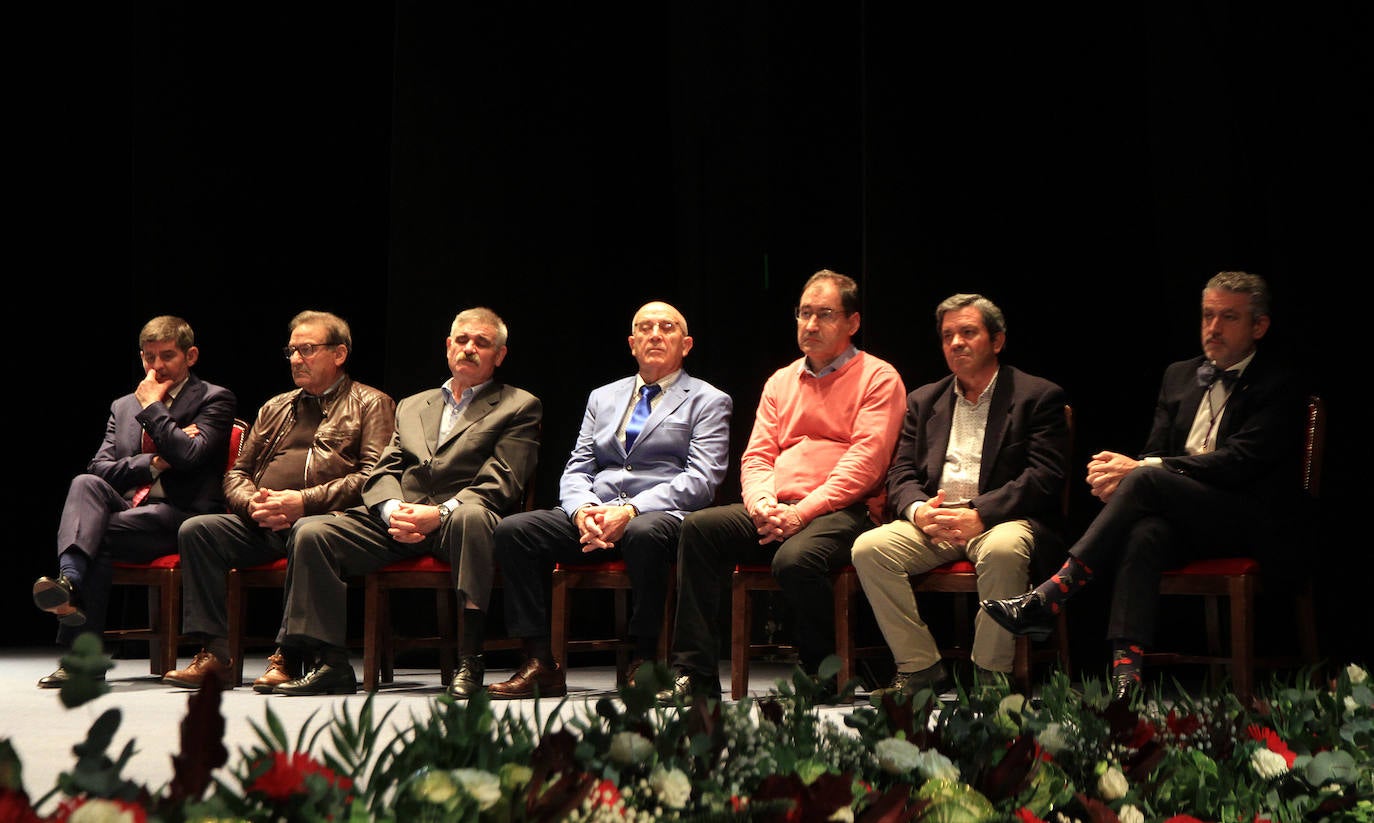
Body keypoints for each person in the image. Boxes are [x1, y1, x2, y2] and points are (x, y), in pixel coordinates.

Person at [981, 271, 1302, 699]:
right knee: (1145, 532)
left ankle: (1054, 592)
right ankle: (1126, 678)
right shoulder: (1179, 376)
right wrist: (1126, 478)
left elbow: (1240, 462)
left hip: (1249, 518)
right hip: (1183, 517)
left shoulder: (1278, 381)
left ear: (1258, 326)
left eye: (1229, 318)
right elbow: (1154, 450)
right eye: (1208, 315)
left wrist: (1140, 472)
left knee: (1146, 478)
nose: (1213, 328)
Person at [660, 270, 907, 702]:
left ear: (852, 323)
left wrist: (802, 512)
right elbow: (757, 456)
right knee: (699, 528)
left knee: (795, 561)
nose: (810, 325)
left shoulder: (879, 378)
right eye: (804, 314)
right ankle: (694, 674)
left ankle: (823, 669)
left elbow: (866, 465)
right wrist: (761, 504)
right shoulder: (781, 380)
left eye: (824, 315)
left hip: (843, 510)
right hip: (778, 507)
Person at [268, 307, 541, 696]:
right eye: (461, 340)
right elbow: (383, 471)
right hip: (400, 518)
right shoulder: (414, 404)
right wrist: (394, 509)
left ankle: (470, 661)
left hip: (458, 521)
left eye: (481, 343)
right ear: (448, 346)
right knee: (313, 531)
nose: (468, 349)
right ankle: (329, 662)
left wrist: (440, 512)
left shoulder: (519, 405)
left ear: (499, 355)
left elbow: (503, 480)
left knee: (473, 518)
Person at [485, 301, 732, 700]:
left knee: (643, 533)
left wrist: (631, 509)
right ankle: (539, 661)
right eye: (645, 328)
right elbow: (578, 466)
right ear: (632, 344)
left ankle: (645, 658)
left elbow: (701, 479)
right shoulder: (603, 397)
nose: (655, 334)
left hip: (658, 515)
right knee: (515, 530)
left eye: (666, 328)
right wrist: (582, 509)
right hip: (596, 511)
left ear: (685, 344)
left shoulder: (708, 399)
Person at [162, 310, 396, 691]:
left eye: (307, 349)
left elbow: (374, 476)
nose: (296, 359)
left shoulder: (372, 403)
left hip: (328, 522)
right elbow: (237, 472)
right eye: (291, 351)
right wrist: (253, 503)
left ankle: (288, 656)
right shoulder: (275, 407)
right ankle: (214, 655)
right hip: (267, 521)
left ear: (339, 354)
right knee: (198, 529)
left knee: (308, 530)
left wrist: (302, 503)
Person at [850, 294, 1071, 697]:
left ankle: (990, 678)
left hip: (1002, 520)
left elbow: (1043, 477)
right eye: (948, 335)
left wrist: (980, 512)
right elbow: (900, 472)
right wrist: (918, 511)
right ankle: (920, 668)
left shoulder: (1037, 397)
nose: (956, 343)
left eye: (968, 332)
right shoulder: (924, 400)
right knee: (869, 548)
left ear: (997, 341)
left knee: (1004, 551)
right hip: (936, 522)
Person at [32, 316, 237, 688]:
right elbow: (100, 467)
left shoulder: (214, 399)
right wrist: (156, 462)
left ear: (191, 356)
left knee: (94, 537)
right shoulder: (123, 406)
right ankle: (71, 581)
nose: (156, 367)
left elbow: (192, 458)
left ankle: (80, 647)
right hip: (132, 513)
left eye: (167, 356)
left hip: (183, 517)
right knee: (85, 483)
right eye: (149, 357)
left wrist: (153, 408)